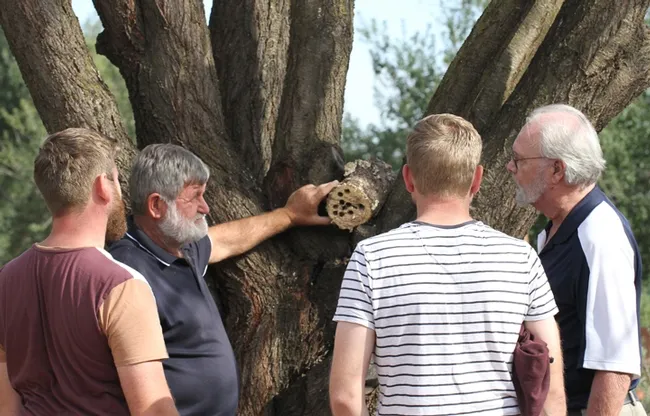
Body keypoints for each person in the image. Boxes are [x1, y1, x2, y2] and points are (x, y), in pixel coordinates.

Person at [329, 114, 566, 416]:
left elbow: (345, 396)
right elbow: (551, 389)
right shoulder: (521, 258)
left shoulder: (371, 259)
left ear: (408, 178)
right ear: (477, 179)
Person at [108, 143, 338, 416]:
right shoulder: (127, 272)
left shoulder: (176, 244)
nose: (205, 207)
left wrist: (289, 215)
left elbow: (224, 240)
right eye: (194, 197)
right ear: (157, 205)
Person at [0, 128, 177, 416]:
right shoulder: (120, 285)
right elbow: (152, 410)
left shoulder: (4, 280)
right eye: (116, 179)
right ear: (102, 187)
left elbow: (6, 407)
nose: (120, 191)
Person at [508, 104, 645, 416]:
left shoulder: (599, 235)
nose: (509, 168)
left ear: (557, 170)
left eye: (519, 160)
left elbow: (615, 366)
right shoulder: (558, 229)